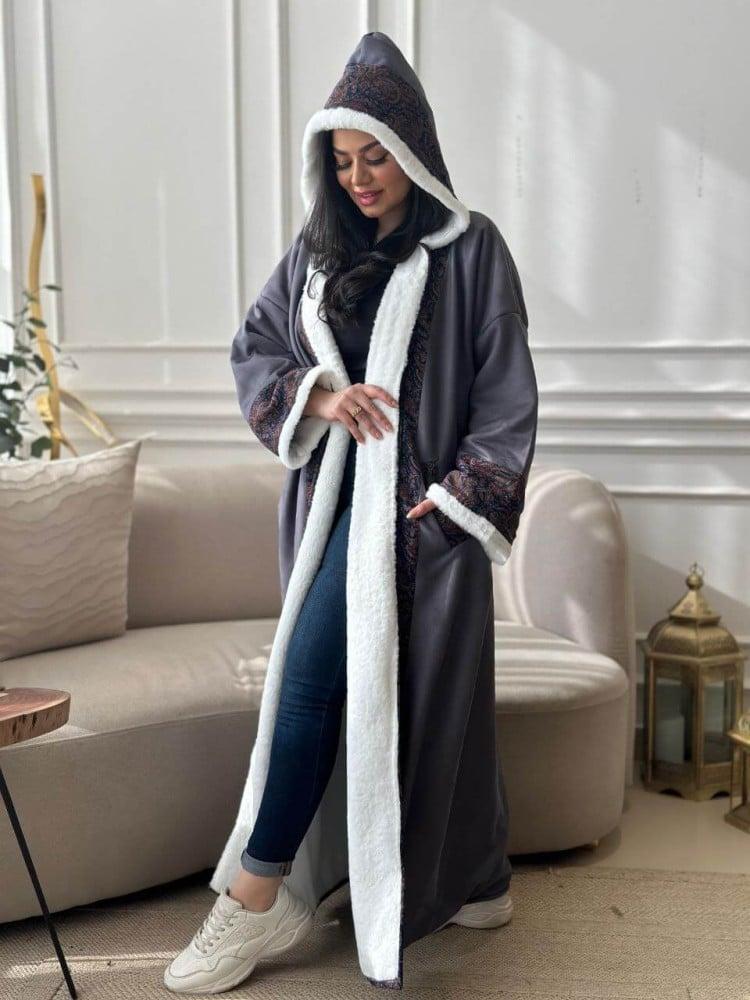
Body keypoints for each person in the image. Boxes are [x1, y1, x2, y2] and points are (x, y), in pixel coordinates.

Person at [164, 30, 538, 994]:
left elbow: (505, 392)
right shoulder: (317, 250)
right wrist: (321, 396)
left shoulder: (471, 248)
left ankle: (263, 894)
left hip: (418, 522)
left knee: (429, 702)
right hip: (333, 508)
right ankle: (307, 888)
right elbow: (255, 347)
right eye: (342, 159)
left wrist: (453, 506)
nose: (359, 177)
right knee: (319, 681)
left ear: (412, 148)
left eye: (376, 155)